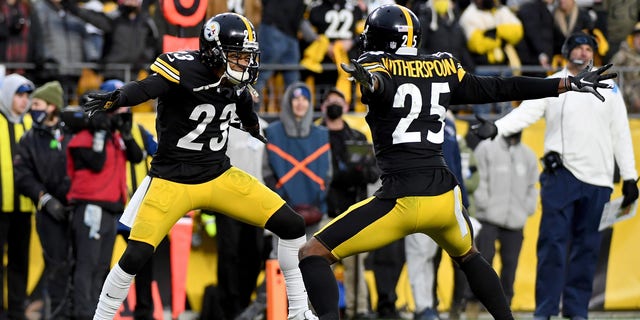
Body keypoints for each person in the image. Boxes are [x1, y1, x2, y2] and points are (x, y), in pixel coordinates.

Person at [296, 5, 618, 320]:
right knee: (470, 257)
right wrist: (561, 83)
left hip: (400, 200)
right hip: (444, 200)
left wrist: (373, 83)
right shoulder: (442, 67)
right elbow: (501, 87)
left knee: (312, 254)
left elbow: (383, 83)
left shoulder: (377, 65)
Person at [82, 12, 318, 320]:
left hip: (218, 174)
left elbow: (243, 105)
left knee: (292, 225)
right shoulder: (183, 68)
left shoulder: (235, 83)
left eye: (246, 56)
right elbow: (146, 88)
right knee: (135, 255)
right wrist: (118, 98)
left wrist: (253, 126)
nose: (244, 63)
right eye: (237, 55)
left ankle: (299, 312)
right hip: (172, 180)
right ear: (214, 51)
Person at [471, 31, 638, 320]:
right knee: (552, 248)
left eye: (589, 49)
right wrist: (497, 127)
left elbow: (621, 133)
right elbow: (527, 112)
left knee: (587, 252)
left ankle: (577, 312)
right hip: (562, 176)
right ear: (566, 51)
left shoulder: (610, 87)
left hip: (599, 182)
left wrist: (630, 177)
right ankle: (544, 312)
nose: (585, 54)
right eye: (579, 48)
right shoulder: (556, 84)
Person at [13, 81, 73, 319]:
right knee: (56, 267)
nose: (31, 108)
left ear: (52, 106)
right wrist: (45, 199)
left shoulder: (72, 132)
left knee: (82, 266)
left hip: (77, 208)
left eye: (36, 104)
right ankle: (58, 316)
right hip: (49, 212)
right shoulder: (29, 139)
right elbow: (23, 176)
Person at [317, 87, 378, 319]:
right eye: (330, 102)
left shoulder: (356, 137)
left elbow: (372, 173)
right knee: (321, 267)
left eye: (338, 102)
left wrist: (359, 171)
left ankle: (358, 310)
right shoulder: (316, 135)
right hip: (325, 209)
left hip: (352, 210)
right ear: (323, 108)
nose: (334, 106)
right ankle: (320, 311)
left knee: (356, 269)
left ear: (345, 107)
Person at [467, 130, 538, 309]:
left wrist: (526, 208)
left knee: (511, 266)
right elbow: (478, 178)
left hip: (515, 221)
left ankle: (505, 306)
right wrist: (484, 203)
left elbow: (532, 186)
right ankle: (476, 303)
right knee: (483, 262)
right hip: (488, 218)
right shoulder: (486, 148)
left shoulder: (528, 155)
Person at [263, 82, 331, 237]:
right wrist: (281, 199)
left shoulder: (321, 134)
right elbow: (266, 171)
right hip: (281, 209)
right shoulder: (273, 132)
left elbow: (328, 173)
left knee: (313, 256)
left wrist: (318, 198)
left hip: (315, 209)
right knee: (281, 257)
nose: (300, 103)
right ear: (288, 102)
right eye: (296, 99)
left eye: (305, 99)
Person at [0, 73, 35, 320]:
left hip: (24, 208)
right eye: (19, 95)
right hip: (0, 209)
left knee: (19, 263)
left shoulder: (31, 125)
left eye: (26, 96)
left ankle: (16, 312)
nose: (24, 101)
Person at [609, 22, 640, 114]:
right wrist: (632, 97)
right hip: (626, 108)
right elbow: (610, 77)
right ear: (632, 39)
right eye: (638, 36)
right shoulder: (623, 55)